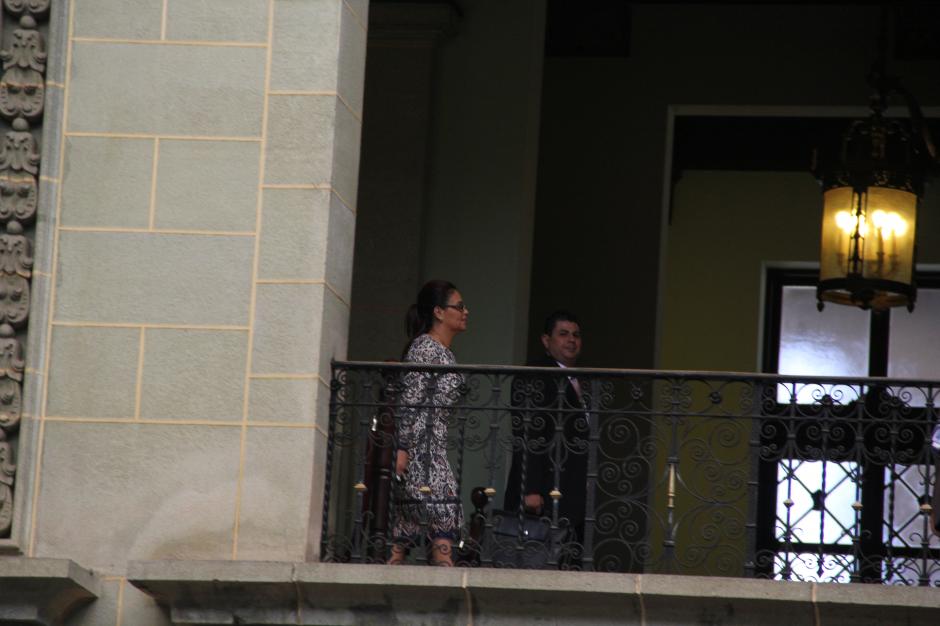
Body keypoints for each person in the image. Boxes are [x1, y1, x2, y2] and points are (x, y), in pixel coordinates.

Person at [389, 280, 469, 566]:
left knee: (409, 526)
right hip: (421, 453)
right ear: (438, 312)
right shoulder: (425, 348)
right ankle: (446, 591)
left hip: (432, 448)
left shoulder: (443, 352)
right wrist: (402, 449)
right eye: (458, 306)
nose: (465, 311)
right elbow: (409, 400)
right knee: (444, 513)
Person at [503, 310, 589, 557]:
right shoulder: (536, 373)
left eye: (576, 335)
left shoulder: (581, 379)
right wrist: (530, 489)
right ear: (546, 340)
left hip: (571, 492)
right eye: (563, 334)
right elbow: (528, 432)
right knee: (536, 561)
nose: (571, 340)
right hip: (544, 490)